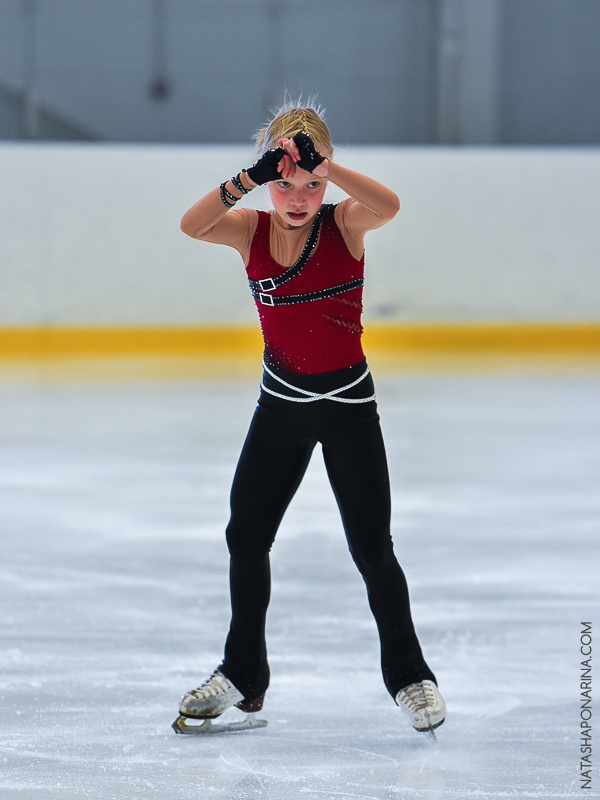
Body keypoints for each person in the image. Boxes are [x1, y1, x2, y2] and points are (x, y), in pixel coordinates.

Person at [172, 101, 445, 738]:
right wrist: (248, 175)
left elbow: (390, 206)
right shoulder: (248, 230)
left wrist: (334, 169)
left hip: (350, 408)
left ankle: (409, 676)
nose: (298, 198)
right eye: (285, 183)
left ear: (325, 179)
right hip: (282, 407)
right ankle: (243, 673)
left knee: (372, 548)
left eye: (310, 184)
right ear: (269, 179)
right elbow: (191, 225)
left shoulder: (345, 223)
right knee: (246, 535)